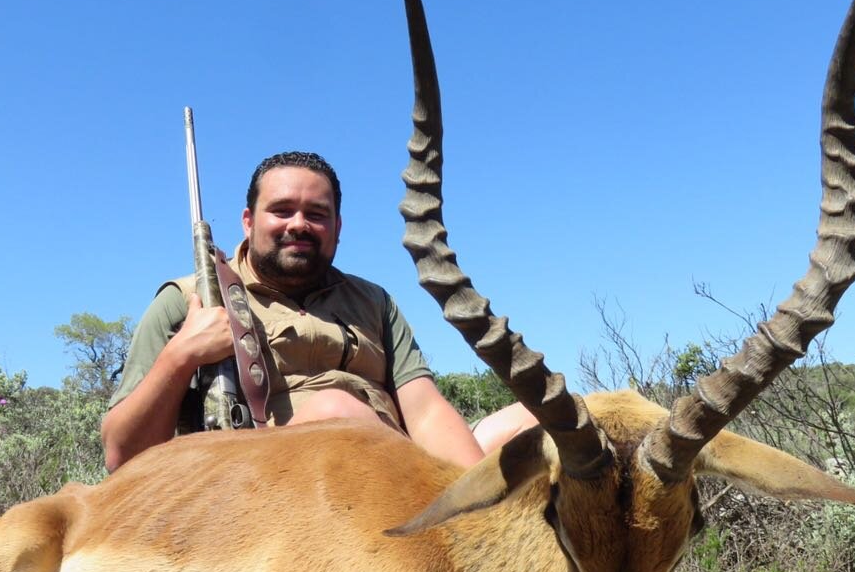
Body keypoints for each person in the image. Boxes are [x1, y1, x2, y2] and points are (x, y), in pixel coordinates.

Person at [101, 151, 535, 472]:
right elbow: (121, 456)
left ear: (338, 229)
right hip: (269, 492)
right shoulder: (185, 300)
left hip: (396, 468)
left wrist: (479, 492)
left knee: (547, 422)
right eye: (282, 210)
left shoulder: (374, 302)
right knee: (336, 412)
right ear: (248, 221)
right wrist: (182, 356)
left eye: (317, 214)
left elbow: (423, 410)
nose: (298, 225)